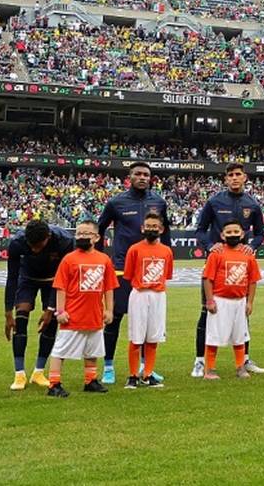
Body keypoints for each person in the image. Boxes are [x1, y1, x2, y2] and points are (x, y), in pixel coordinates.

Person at [97, 161, 172, 384]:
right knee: (115, 318)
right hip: (122, 268)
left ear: (151, 178)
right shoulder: (116, 202)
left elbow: (164, 232)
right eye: (137, 174)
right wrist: (100, 258)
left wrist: (167, 254)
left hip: (150, 271)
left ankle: (144, 367)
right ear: (129, 177)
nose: (142, 177)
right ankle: (108, 366)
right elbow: (100, 229)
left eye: (146, 174)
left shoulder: (158, 202)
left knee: (148, 323)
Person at [191, 163, 263, 377]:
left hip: (240, 264)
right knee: (206, 311)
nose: (234, 178)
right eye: (230, 175)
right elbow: (200, 230)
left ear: (245, 177)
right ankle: (200, 361)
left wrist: (253, 246)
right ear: (225, 179)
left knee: (242, 313)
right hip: (218, 263)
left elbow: (259, 234)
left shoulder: (253, 204)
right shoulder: (214, 201)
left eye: (237, 174)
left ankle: (245, 360)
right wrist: (208, 245)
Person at [46, 222, 117, 398]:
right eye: (79, 233)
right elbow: (60, 287)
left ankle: (90, 380)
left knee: (93, 350)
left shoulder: (104, 260)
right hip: (73, 316)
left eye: (87, 233)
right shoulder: (69, 259)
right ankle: (54, 384)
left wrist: (109, 310)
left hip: (94, 315)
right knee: (60, 351)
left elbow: (109, 287)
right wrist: (60, 312)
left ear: (97, 237)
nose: (82, 236)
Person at [4, 219, 73, 391]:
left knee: (51, 322)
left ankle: (39, 372)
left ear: (48, 237)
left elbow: (64, 278)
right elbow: (12, 278)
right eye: (31, 245)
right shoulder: (16, 243)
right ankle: (19, 374)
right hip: (27, 279)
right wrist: (7, 312)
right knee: (20, 319)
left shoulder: (64, 241)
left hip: (53, 281)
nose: (34, 249)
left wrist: (50, 309)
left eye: (39, 245)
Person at [201, 220, 261, 380]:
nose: (233, 235)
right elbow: (207, 278)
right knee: (214, 335)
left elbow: (253, 280)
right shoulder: (217, 253)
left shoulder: (248, 255)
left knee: (239, 336)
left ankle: (240, 367)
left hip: (239, 301)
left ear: (242, 234)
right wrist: (210, 300)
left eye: (236, 232)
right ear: (222, 235)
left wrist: (249, 302)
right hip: (220, 300)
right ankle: (209, 369)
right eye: (229, 232)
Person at [123, 211, 173, 389]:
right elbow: (128, 274)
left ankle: (148, 374)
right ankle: (132, 375)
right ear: (143, 228)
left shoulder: (166, 251)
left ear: (161, 229)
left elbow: (167, 275)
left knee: (153, 338)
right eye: (149, 226)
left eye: (155, 226)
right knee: (136, 338)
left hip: (158, 295)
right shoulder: (134, 249)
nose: (152, 229)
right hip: (140, 294)